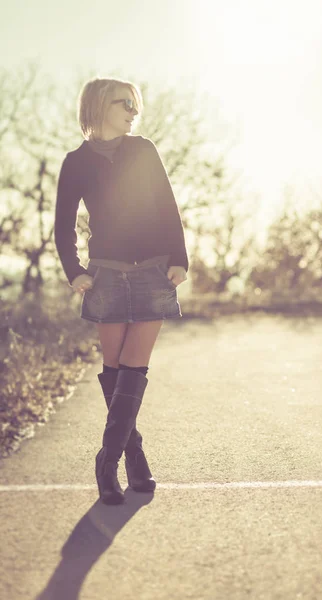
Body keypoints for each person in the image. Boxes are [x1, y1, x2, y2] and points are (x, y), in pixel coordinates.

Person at [54, 77, 189, 505]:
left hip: (152, 272)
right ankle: (135, 456)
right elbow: (62, 224)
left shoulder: (143, 150)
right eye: (124, 103)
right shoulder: (75, 162)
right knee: (115, 371)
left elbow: (168, 205)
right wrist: (74, 271)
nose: (133, 110)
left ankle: (106, 462)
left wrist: (179, 258)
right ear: (98, 107)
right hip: (106, 277)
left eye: (136, 104)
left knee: (132, 366)